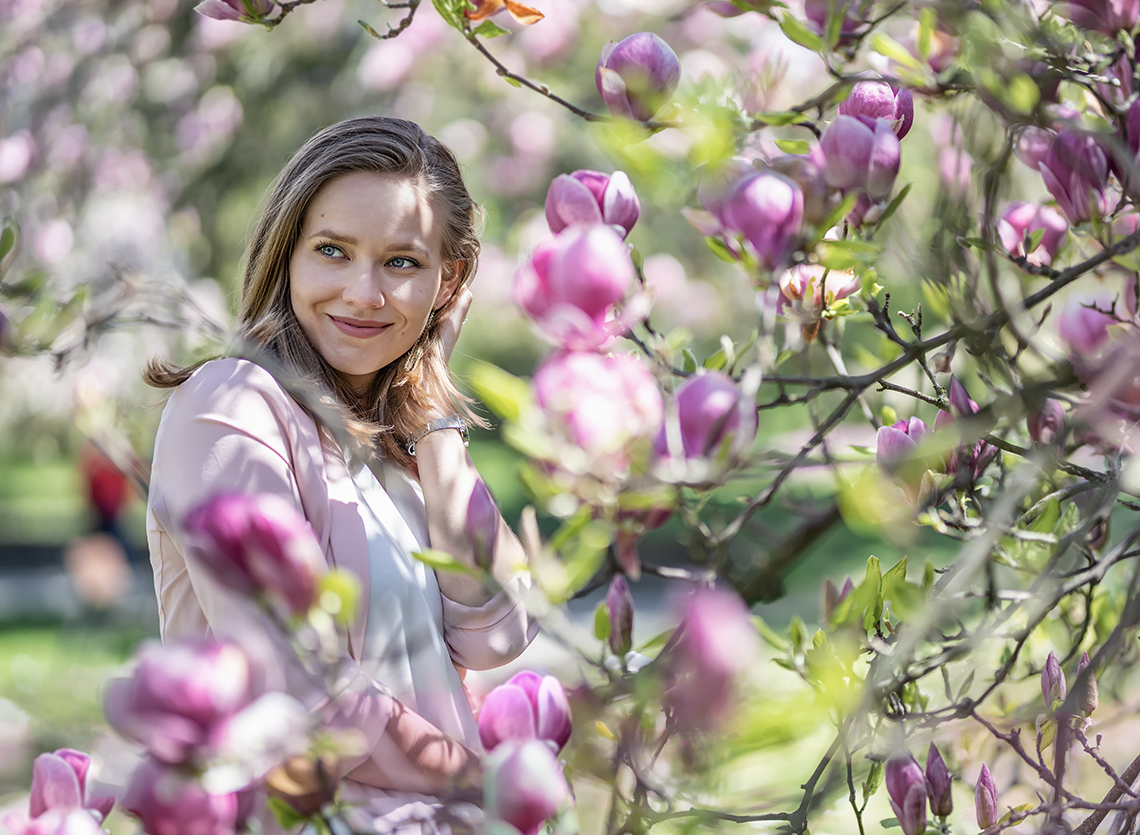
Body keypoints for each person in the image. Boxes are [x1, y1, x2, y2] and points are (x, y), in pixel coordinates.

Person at [143, 116, 538, 834]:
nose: (363, 293)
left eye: (401, 262)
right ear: (287, 254)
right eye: (333, 251)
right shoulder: (231, 405)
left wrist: (436, 416)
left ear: (448, 282)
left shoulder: (402, 444)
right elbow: (294, 687)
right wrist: (484, 784)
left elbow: (499, 632)